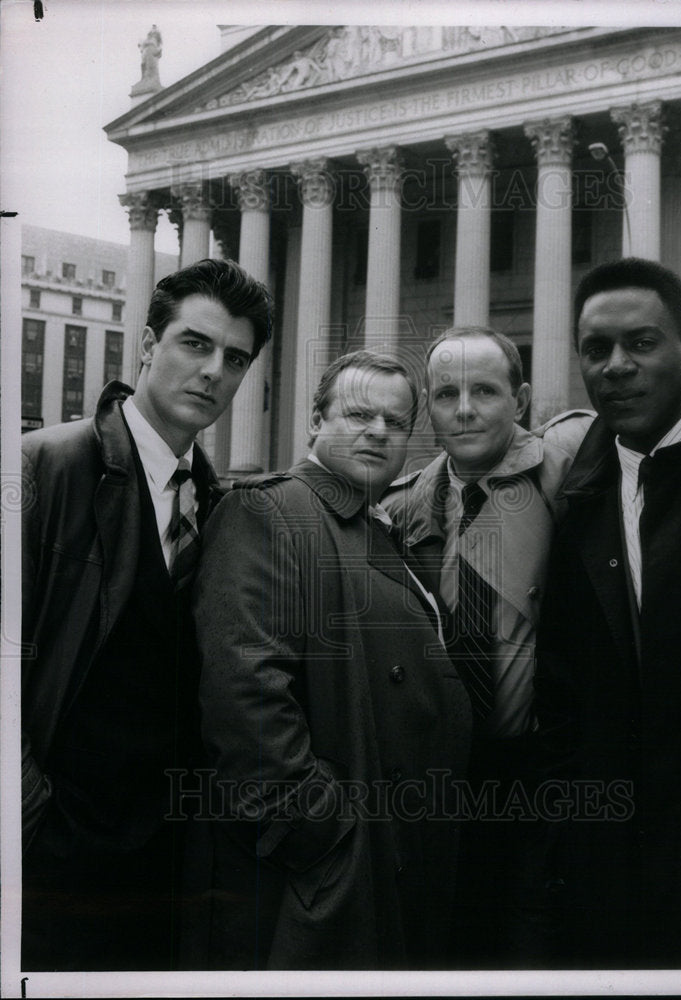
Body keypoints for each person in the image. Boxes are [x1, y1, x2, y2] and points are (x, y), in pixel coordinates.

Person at [21, 257, 273, 971]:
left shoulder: (216, 502)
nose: (213, 373)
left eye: (234, 358)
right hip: (56, 863)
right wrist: (33, 822)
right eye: (194, 344)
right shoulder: (43, 468)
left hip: (168, 867)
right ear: (146, 344)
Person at [193, 350, 472, 970]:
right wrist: (328, 838)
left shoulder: (374, 524)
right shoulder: (268, 510)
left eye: (395, 423)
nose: (378, 431)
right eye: (358, 414)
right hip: (337, 872)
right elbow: (247, 700)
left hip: (396, 856)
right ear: (316, 422)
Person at [533, 257, 681, 968]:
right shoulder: (575, 498)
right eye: (596, 349)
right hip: (611, 875)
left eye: (640, 343)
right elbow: (560, 694)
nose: (616, 366)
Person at [381, 326, 594, 966]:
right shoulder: (404, 504)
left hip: (540, 772)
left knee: (530, 942)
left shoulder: (574, 483)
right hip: (440, 776)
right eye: (446, 394)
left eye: (485, 391)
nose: (465, 409)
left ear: (521, 399)